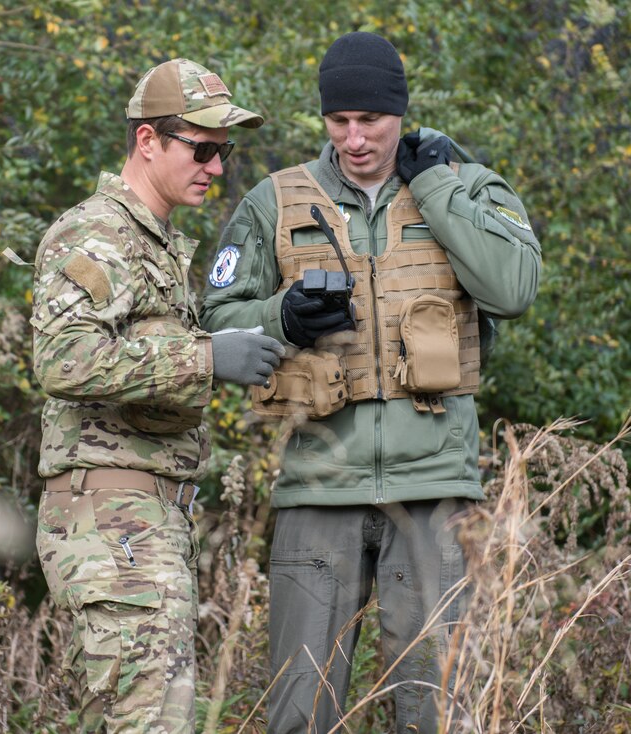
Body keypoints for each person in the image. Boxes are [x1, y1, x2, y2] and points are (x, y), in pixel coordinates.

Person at [200, 32, 542, 733]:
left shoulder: (467, 185)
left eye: (371, 121)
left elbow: (512, 287)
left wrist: (438, 184)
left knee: (439, 714)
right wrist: (282, 316)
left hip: (435, 496)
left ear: (401, 111)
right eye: (338, 121)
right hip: (318, 488)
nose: (354, 139)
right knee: (301, 711)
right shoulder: (276, 201)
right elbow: (214, 322)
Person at [31, 58, 284, 732]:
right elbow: (62, 357)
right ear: (148, 142)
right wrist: (208, 356)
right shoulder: (98, 234)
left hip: (145, 522)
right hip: (114, 521)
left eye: (222, 151)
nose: (216, 167)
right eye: (200, 148)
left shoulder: (156, 242)